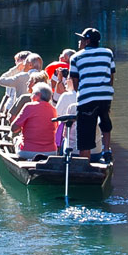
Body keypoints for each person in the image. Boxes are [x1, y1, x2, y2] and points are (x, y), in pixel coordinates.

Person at [69, 27, 114, 161]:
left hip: (87, 98)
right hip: (105, 95)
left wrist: (83, 94)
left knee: (84, 135)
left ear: (87, 41)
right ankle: (106, 150)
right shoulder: (108, 53)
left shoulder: (75, 57)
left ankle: (85, 163)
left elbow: (75, 83)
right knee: (105, 121)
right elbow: (111, 77)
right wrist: (106, 93)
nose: (79, 42)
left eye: (81, 39)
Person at [10, 83, 58, 160]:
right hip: (51, 152)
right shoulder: (54, 110)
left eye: (32, 93)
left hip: (28, 152)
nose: (31, 97)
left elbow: (14, 128)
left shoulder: (29, 106)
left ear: (38, 95)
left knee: (16, 139)